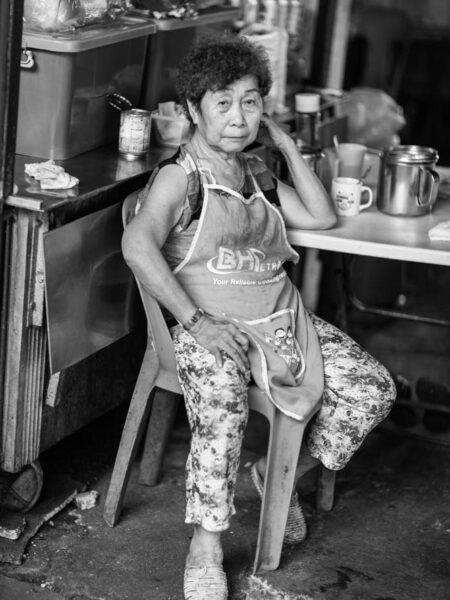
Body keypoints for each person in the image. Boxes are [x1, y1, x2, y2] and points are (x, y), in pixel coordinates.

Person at [122, 34, 396, 600]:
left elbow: (320, 218)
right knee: (222, 400)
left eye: (250, 102)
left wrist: (285, 146)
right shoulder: (183, 177)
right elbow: (137, 247)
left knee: (371, 388)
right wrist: (196, 322)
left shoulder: (259, 174)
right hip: (212, 323)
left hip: (279, 320)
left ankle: (279, 479)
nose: (238, 117)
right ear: (195, 110)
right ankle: (205, 546)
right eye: (222, 102)